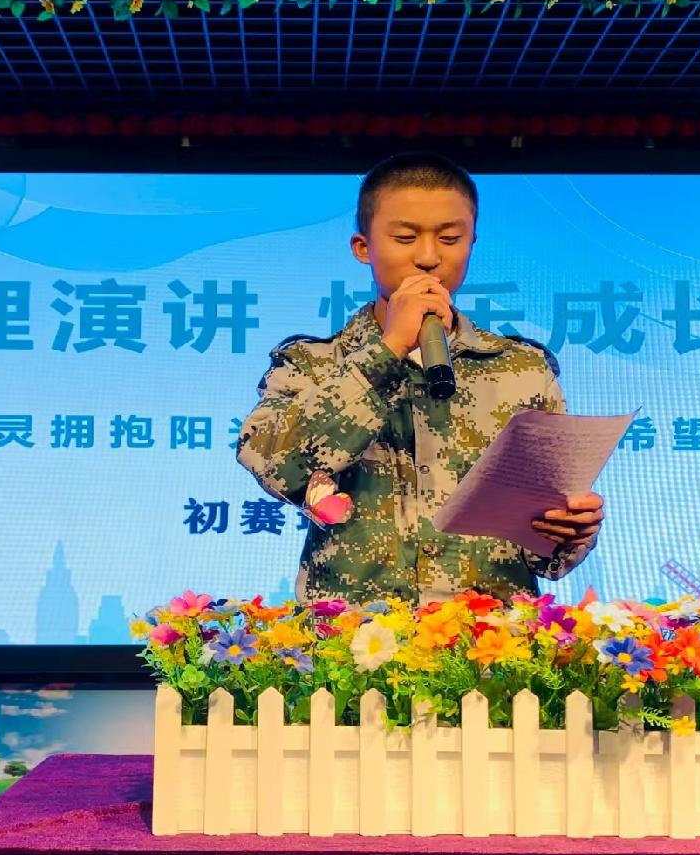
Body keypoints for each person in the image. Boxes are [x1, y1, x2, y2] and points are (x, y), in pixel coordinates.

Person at [236, 152, 604, 605]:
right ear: (363, 247)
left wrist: (569, 531)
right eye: (405, 238)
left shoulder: (521, 369)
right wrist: (387, 350)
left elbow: (544, 555)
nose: (429, 258)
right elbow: (279, 469)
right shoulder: (311, 364)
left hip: (487, 639)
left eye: (450, 238)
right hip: (356, 640)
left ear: (471, 243)